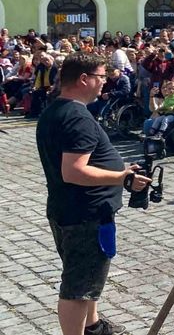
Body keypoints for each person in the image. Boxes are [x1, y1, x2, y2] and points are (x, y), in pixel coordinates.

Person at [36, 53, 151, 335]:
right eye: (101, 77)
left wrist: (118, 168)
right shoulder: (77, 118)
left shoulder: (56, 109)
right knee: (77, 286)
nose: (104, 83)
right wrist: (122, 177)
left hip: (68, 208)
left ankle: (93, 326)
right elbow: (74, 171)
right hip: (86, 213)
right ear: (84, 79)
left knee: (87, 278)